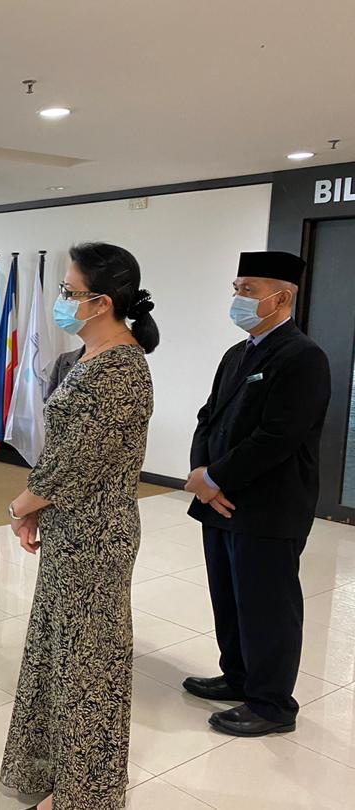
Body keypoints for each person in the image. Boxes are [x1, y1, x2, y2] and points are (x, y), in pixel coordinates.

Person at [1, 242, 159, 810]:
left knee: (88, 667)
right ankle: (51, 769)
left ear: (101, 302)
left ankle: (86, 793)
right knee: (59, 654)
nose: (61, 300)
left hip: (97, 534)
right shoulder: (88, 357)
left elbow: (77, 460)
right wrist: (38, 508)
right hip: (72, 526)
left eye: (69, 292)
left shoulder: (121, 369)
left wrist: (21, 505)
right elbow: (63, 449)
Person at [183, 251, 331, 737]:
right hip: (221, 501)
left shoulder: (303, 356)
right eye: (236, 288)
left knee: (267, 605)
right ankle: (239, 677)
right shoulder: (237, 353)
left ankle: (271, 703)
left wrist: (215, 478)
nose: (238, 297)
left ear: (281, 298)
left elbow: (278, 436)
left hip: (268, 506)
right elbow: (208, 417)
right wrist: (201, 474)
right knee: (228, 596)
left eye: (248, 290)